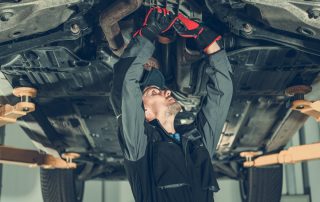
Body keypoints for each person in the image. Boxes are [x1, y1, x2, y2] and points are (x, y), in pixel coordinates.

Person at [110, 6, 233, 202]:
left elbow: (124, 84)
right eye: (156, 91)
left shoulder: (139, 148)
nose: (166, 91)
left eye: (154, 91)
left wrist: (149, 31)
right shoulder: (196, 142)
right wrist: (208, 41)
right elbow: (222, 94)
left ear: (146, 113)